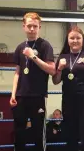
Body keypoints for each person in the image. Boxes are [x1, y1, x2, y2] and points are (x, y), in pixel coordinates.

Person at [52, 25, 84, 151]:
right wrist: (59, 68)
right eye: (72, 38)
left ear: (83, 39)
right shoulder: (63, 56)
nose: (75, 41)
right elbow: (55, 81)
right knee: (71, 136)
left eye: (78, 38)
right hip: (69, 101)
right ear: (67, 40)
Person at [9, 12, 55, 151]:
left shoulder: (45, 46)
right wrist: (13, 94)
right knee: (19, 133)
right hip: (21, 96)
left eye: (35, 26)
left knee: (38, 134)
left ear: (39, 26)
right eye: (29, 26)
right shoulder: (19, 47)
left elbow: (52, 70)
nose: (32, 29)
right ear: (24, 27)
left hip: (38, 96)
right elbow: (17, 72)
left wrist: (33, 57)